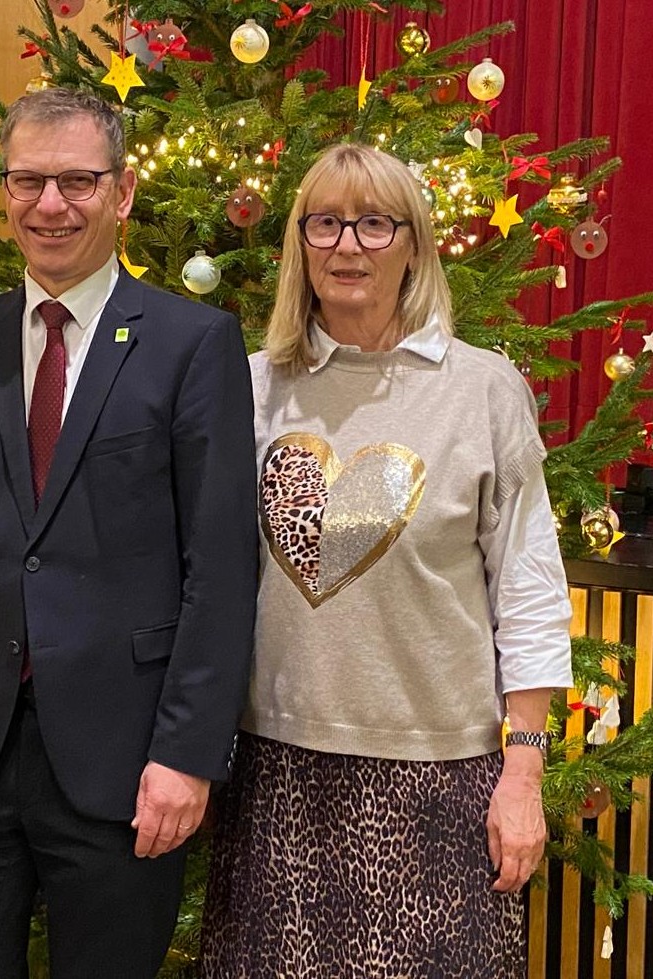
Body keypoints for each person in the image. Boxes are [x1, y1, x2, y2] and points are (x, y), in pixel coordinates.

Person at [0, 87, 257, 979]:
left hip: (124, 770)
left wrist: (185, 754)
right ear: (4, 191)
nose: (51, 205)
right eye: (28, 181)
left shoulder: (191, 343)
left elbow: (220, 566)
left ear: (122, 193)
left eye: (77, 181)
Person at [201, 143, 574, 978]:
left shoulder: (482, 389)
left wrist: (522, 771)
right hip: (278, 777)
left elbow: (530, 587)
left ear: (413, 243)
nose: (346, 245)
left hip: (443, 781)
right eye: (324, 222)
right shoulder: (250, 386)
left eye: (374, 223)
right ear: (298, 243)